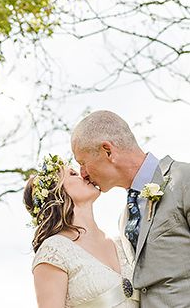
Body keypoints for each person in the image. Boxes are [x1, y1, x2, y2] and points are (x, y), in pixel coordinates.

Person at [71, 110, 190, 308]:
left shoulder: (183, 179)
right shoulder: (124, 219)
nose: (82, 174)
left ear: (107, 151)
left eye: (82, 163)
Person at [24, 154, 138, 307]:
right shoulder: (54, 251)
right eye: (73, 174)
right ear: (57, 192)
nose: (84, 175)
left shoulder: (121, 242)